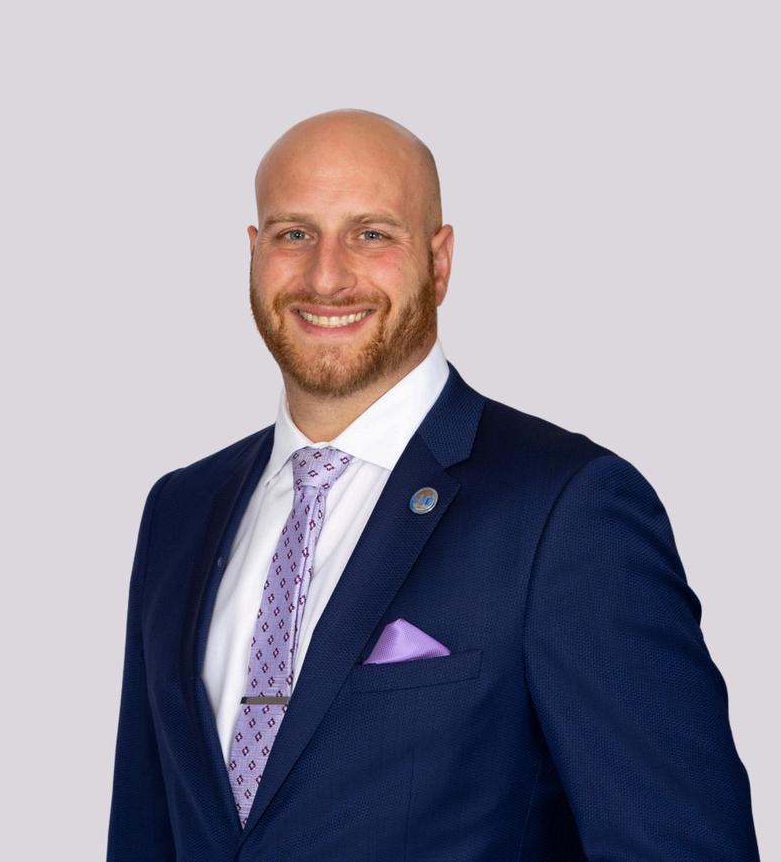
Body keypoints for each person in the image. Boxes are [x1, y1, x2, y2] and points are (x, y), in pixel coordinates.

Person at [106, 109, 760, 861]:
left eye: (371, 234)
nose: (326, 275)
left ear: (439, 262)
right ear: (254, 254)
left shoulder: (566, 511)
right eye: (294, 234)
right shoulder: (180, 511)